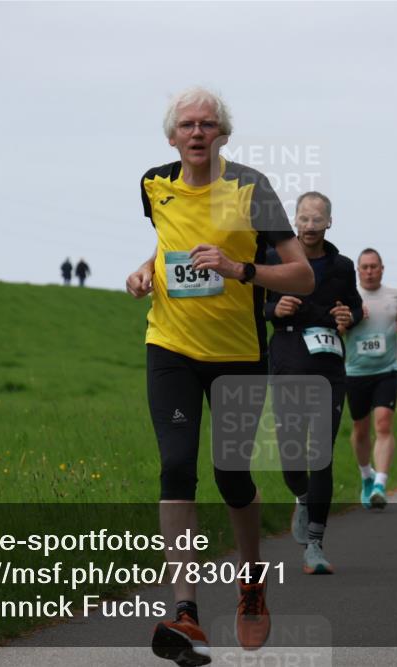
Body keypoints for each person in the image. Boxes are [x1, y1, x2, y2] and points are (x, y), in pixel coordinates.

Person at [127, 86, 314, 666]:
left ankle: (252, 579)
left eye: (209, 124)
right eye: (188, 124)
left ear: (223, 134)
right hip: (171, 347)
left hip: (237, 354)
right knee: (176, 466)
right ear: (172, 135)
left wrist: (241, 269)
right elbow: (168, 244)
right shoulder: (153, 184)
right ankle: (185, 611)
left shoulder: (252, 188)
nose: (198, 132)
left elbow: (303, 277)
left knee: (232, 474)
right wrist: (144, 271)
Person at [266, 191, 363, 575]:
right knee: (291, 451)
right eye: (303, 218)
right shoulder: (275, 258)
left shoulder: (341, 266)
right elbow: (255, 304)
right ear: (295, 220)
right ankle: (303, 498)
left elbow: (354, 306)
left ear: (329, 223)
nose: (309, 225)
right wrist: (275, 308)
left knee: (321, 450)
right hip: (288, 355)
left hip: (327, 362)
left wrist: (347, 315)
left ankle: (316, 545)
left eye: (316, 219)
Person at [344, 248, 397, 512]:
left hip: (387, 370)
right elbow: (337, 326)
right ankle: (366, 476)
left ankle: (381, 484)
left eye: (374, 266)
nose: (369, 271)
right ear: (358, 271)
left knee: (383, 425)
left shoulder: (394, 296)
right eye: (365, 267)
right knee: (360, 431)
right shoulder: (350, 297)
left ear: (382, 268)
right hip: (356, 373)